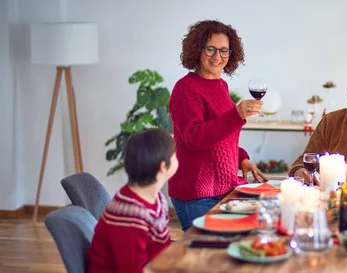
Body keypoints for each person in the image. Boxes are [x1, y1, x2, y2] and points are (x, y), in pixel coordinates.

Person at [169, 20, 267, 231]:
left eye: (224, 51)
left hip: (223, 190)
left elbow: (222, 135)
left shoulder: (221, 85)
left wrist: (241, 157)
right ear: (197, 49)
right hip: (196, 195)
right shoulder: (185, 89)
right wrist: (236, 114)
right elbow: (194, 137)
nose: (217, 57)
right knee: (204, 256)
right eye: (211, 49)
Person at [87, 128, 177, 273]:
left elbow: (161, 248)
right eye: (175, 155)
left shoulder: (156, 198)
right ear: (162, 167)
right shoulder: (131, 215)